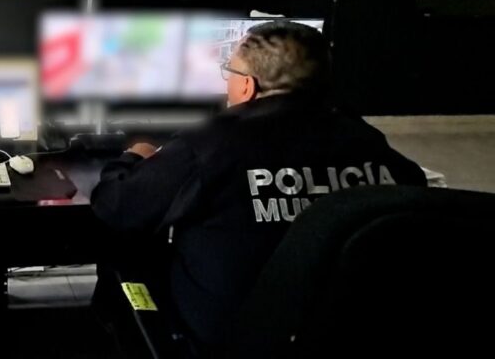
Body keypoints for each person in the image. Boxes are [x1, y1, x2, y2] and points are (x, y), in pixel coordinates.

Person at [90, 21, 426, 356]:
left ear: (248, 86)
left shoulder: (213, 143)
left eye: (230, 71)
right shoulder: (367, 141)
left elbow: (118, 207)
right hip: (349, 334)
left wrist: (132, 157)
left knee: (127, 247)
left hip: (230, 344)